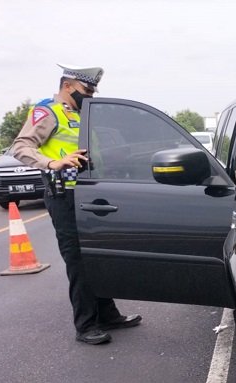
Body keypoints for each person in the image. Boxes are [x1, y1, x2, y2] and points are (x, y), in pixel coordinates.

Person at [11, 63, 141, 345]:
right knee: (79, 261)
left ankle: (108, 314)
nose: (91, 95)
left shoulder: (84, 115)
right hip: (65, 196)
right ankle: (86, 325)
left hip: (90, 194)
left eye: (94, 90)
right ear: (68, 85)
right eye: (87, 89)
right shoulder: (47, 111)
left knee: (97, 255)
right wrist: (52, 163)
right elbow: (21, 147)